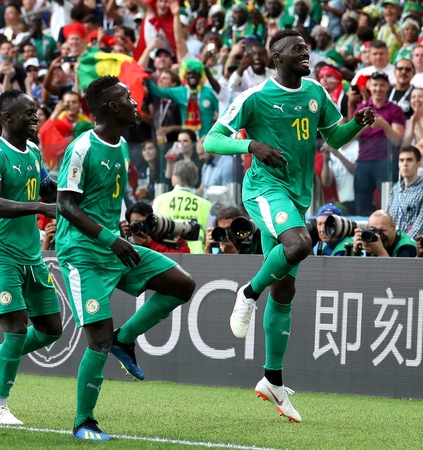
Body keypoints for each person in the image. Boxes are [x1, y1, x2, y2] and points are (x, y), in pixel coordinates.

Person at [203, 29, 375, 423]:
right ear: (275, 56)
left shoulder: (315, 92)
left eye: (307, 47)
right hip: (265, 188)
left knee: (286, 288)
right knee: (299, 244)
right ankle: (247, 293)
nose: (305, 52)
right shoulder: (255, 98)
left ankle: (273, 380)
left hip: (297, 196)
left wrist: (357, 124)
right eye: (296, 48)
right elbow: (212, 141)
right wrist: (251, 145)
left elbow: (334, 137)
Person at [56, 76, 196, 441]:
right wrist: (108, 237)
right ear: (111, 107)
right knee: (97, 340)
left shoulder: (119, 145)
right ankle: (83, 422)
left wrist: (117, 229)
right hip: (82, 253)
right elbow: (65, 205)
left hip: (112, 244)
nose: (136, 102)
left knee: (182, 285)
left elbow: (99, 200)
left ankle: (126, 338)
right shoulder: (82, 147)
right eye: (128, 97)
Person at [0, 89, 63, 425]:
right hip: (0, 252)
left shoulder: (35, 152)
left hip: (31, 255)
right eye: (29, 112)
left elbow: (48, 187)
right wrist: (39, 206)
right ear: (8, 118)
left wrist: (72, 192)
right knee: (17, 329)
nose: (36, 117)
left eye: (36, 111)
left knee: (52, 329)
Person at [351, 71, 405, 215]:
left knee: (389, 204)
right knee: (361, 205)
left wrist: (384, 125)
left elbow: (397, 140)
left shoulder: (395, 110)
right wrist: (364, 125)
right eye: (375, 85)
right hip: (363, 161)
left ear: (388, 86)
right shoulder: (360, 109)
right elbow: (351, 137)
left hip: (386, 162)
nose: (378, 88)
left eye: (382, 85)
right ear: (369, 86)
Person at [153, 159, 210, 253]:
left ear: (174, 178)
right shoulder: (205, 204)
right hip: (196, 258)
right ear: (195, 179)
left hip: (166, 257)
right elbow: (209, 236)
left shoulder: (160, 200)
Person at [388, 146, 423, 239]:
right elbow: (387, 221)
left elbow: (419, 226)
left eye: (409, 160)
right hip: (392, 247)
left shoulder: (421, 189)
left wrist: (401, 244)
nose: (405, 164)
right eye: (401, 160)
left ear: (419, 164)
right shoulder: (395, 190)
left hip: (413, 248)